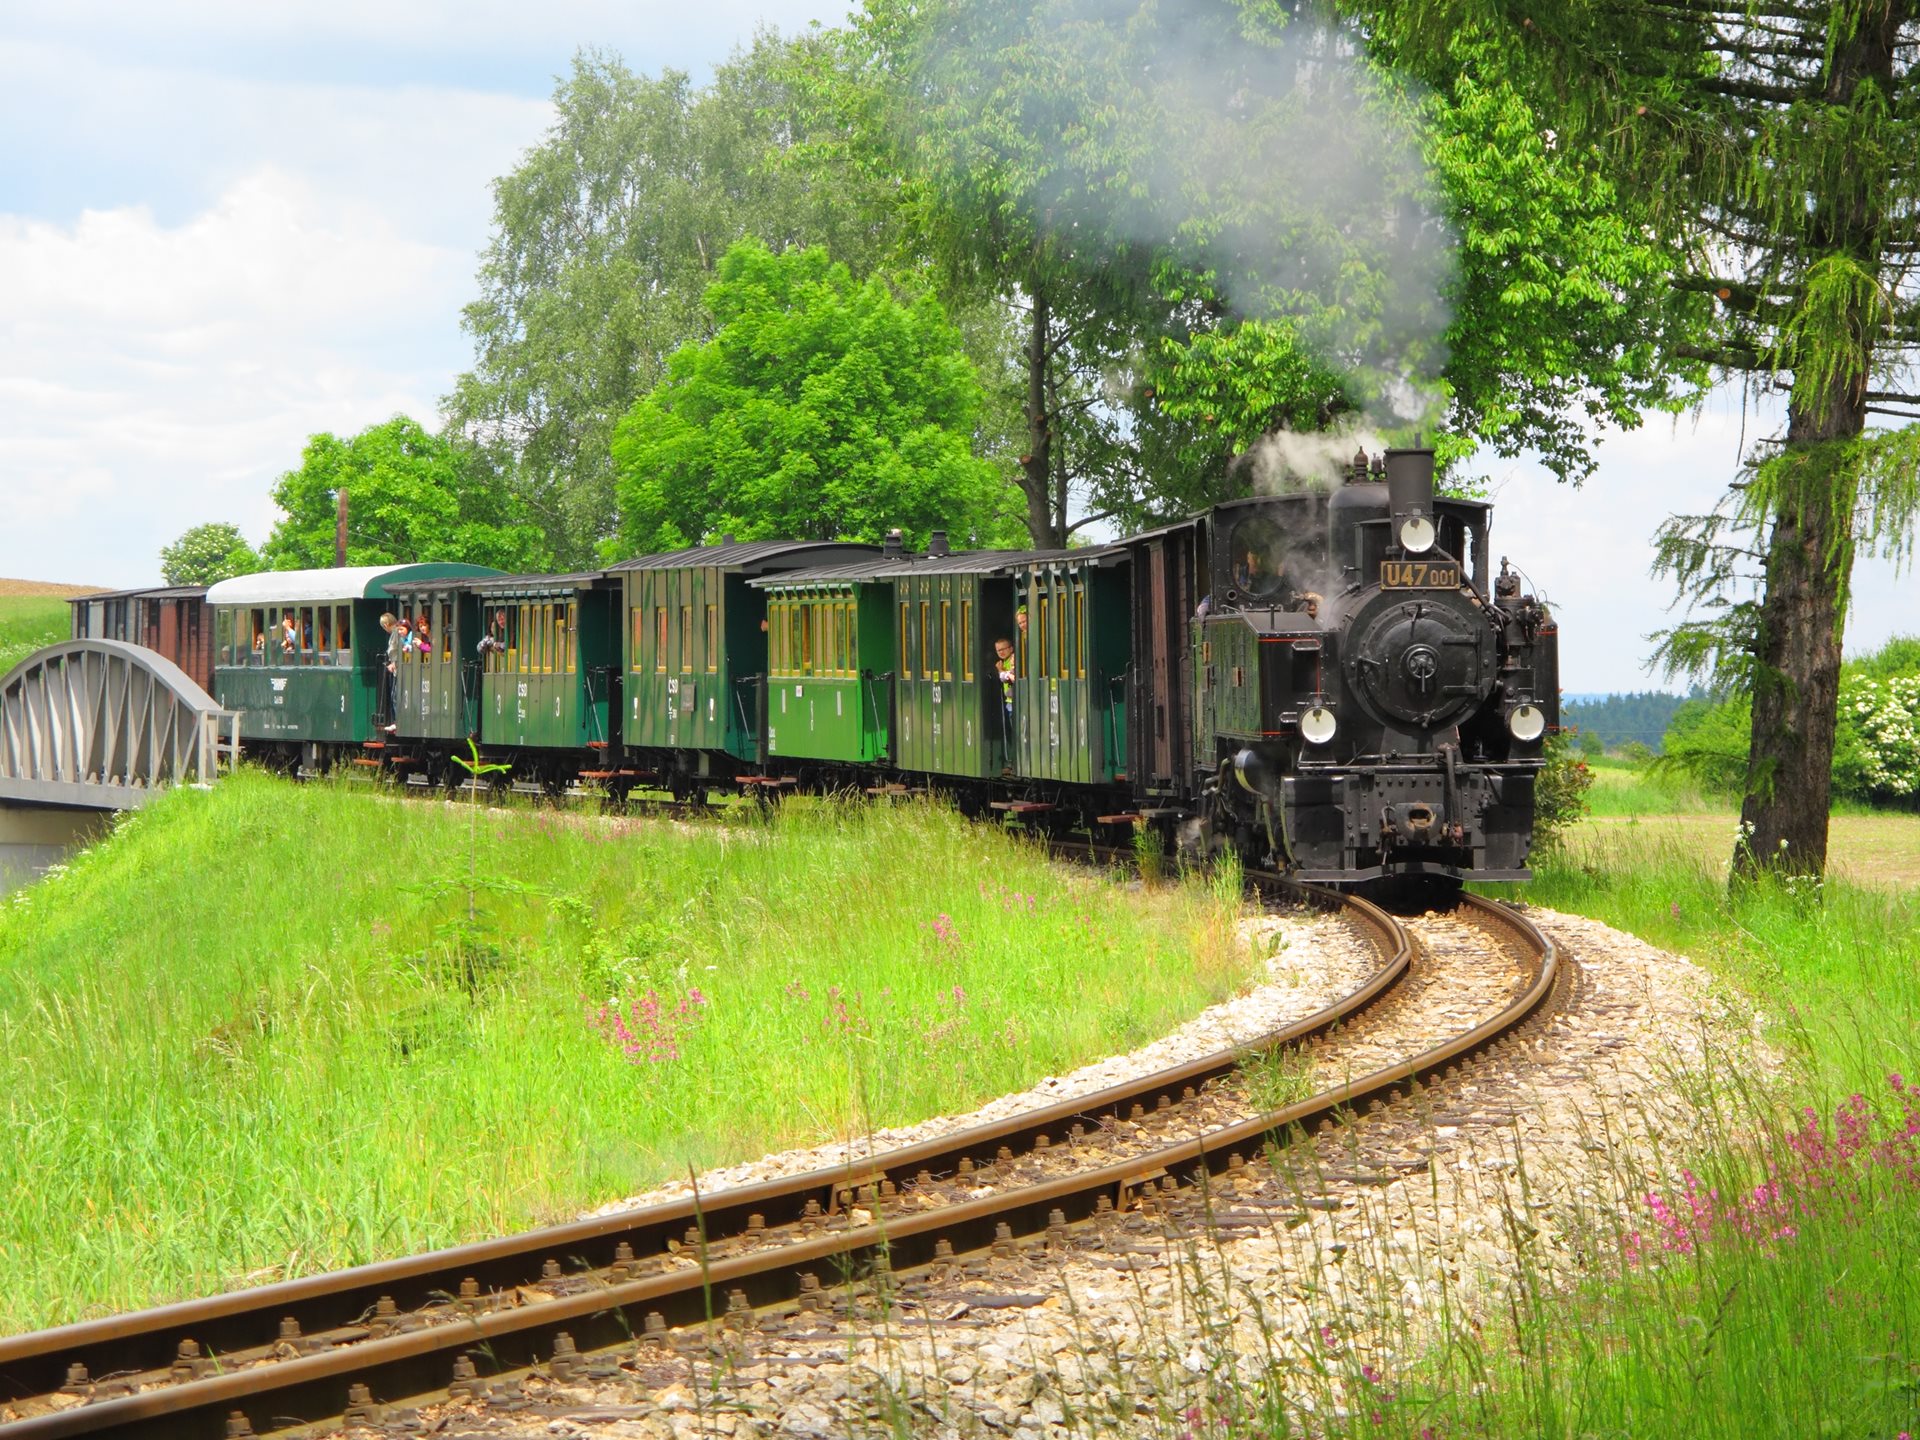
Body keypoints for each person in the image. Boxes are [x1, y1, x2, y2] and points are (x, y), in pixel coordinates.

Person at [381, 612, 403, 732]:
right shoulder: (395, 633)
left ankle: (398, 721)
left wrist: (394, 663)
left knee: (395, 695)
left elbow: (399, 650)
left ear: (386, 624)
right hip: (396, 668)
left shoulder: (396, 633)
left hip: (398, 668)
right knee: (394, 694)